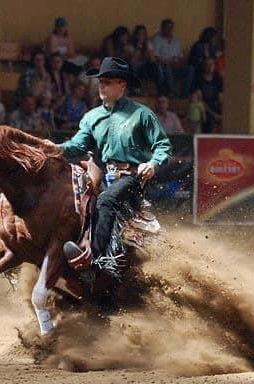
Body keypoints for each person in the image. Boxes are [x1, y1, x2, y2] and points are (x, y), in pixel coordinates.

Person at [56, 57, 172, 270]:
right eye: (100, 81)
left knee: (105, 201)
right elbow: (76, 146)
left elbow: (163, 145)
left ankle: (95, 259)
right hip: (104, 175)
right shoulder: (92, 117)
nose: (101, 85)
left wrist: (153, 164)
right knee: (72, 199)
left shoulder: (142, 114)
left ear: (122, 85)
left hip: (132, 177)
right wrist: (53, 148)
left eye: (107, 82)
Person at [150, 19, 194, 97]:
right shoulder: (156, 39)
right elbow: (156, 57)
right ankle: (172, 93)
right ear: (162, 28)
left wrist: (179, 62)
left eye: (171, 28)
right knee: (167, 68)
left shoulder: (176, 41)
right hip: (163, 67)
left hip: (175, 66)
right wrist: (169, 62)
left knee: (190, 69)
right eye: (167, 27)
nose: (169, 30)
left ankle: (184, 94)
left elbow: (180, 56)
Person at [193, 57, 222, 133]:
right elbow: (200, 100)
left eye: (211, 64)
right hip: (204, 108)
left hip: (215, 106)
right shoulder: (198, 79)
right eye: (207, 65)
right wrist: (214, 115)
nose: (209, 67)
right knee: (208, 120)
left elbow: (221, 98)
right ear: (203, 66)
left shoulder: (218, 78)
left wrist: (221, 113)